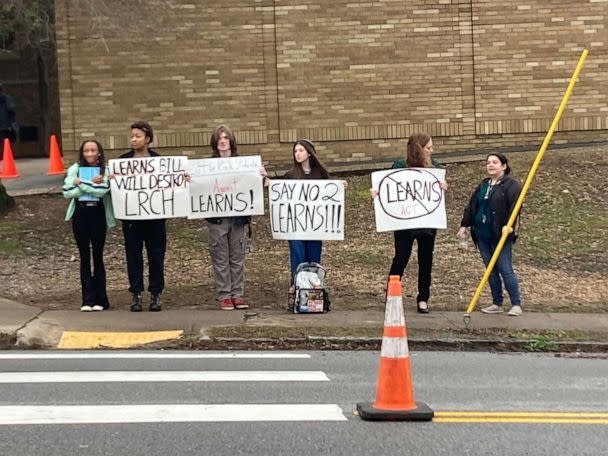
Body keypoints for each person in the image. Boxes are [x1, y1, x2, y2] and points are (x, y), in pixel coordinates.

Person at [371, 133, 447, 313]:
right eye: (428, 148)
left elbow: (435, 195)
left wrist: (443, 187)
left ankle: (423, 298)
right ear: (419, 149)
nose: (431, 151)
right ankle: (391, 294)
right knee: (401, 257)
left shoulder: (434, 166)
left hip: (426, 221)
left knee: (426, 259)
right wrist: (377, 192)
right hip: (403, 222)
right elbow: (388, 186)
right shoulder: (399, 165)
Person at [206, 125, 267, 311]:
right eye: (219, 139)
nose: (222, 141)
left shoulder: (244, 163)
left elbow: (259, 185)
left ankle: (237, 295)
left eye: (225, 138)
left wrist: (262, 176)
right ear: (215, 143)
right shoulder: (207, 166)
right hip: (217, 219)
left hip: (238, 219)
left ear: (231, 141)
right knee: (220, 258)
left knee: (237, 257)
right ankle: (224, 295)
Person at [457, 153, 523, 316]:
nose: (490, 165)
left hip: (499, 234)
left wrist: (509, 225)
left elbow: (515, 206)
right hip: (482, 234)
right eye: (488, 163)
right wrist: (464, 225)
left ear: (504, 166)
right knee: (490, 270)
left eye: (495, 162)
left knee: (505, 268)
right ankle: (496, 302)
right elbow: (472, 205)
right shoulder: (484, 184)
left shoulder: (511, 185)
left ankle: (516, 304)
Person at [119, 121, 166, 312]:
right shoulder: (123, 161)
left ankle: (155, 294)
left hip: (155, 219)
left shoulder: (159, 161)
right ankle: (136, 294)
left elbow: (169, 184)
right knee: (133, 256)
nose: (133, 139)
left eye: (137, 136)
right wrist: (113, 180)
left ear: (147, 139)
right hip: (132, 219)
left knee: (156, 256)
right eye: (131, 136)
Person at [63, 140, 115, 311]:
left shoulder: (105, 170)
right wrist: (91, 184)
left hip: (98, 215)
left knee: (98, 256)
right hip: (80, 215)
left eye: (93, 150)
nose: (90, 153)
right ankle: (87, 299)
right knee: (84, 257)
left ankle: (101, 299)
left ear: (99, 152)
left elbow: (103, 191)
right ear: (82, 153)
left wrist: (82, 184)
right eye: (86, 150)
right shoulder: (74, 169)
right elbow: (67, 192)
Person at [283, 139, 331, 281]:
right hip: (296, 227)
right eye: (295, 151)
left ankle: (313, 293)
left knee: (313, 260)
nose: (297, 154)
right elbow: (281, 194)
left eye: (301, 150)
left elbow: (328, 194)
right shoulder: (290, 175)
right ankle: (297, 290)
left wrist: (337, 187)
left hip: (315, 225)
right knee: (298, 260)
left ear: (309, 153)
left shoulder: (321, 174)